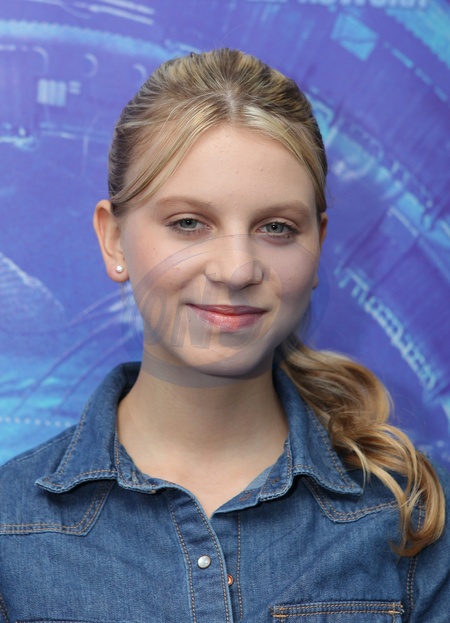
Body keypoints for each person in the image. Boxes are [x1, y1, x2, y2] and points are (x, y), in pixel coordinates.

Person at [0, 48, 448, 622]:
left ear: (318, 245)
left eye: (277, 228)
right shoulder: (11, 531)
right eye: (189, 223)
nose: (236, 270)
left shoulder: (412, 519)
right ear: (113, 240)